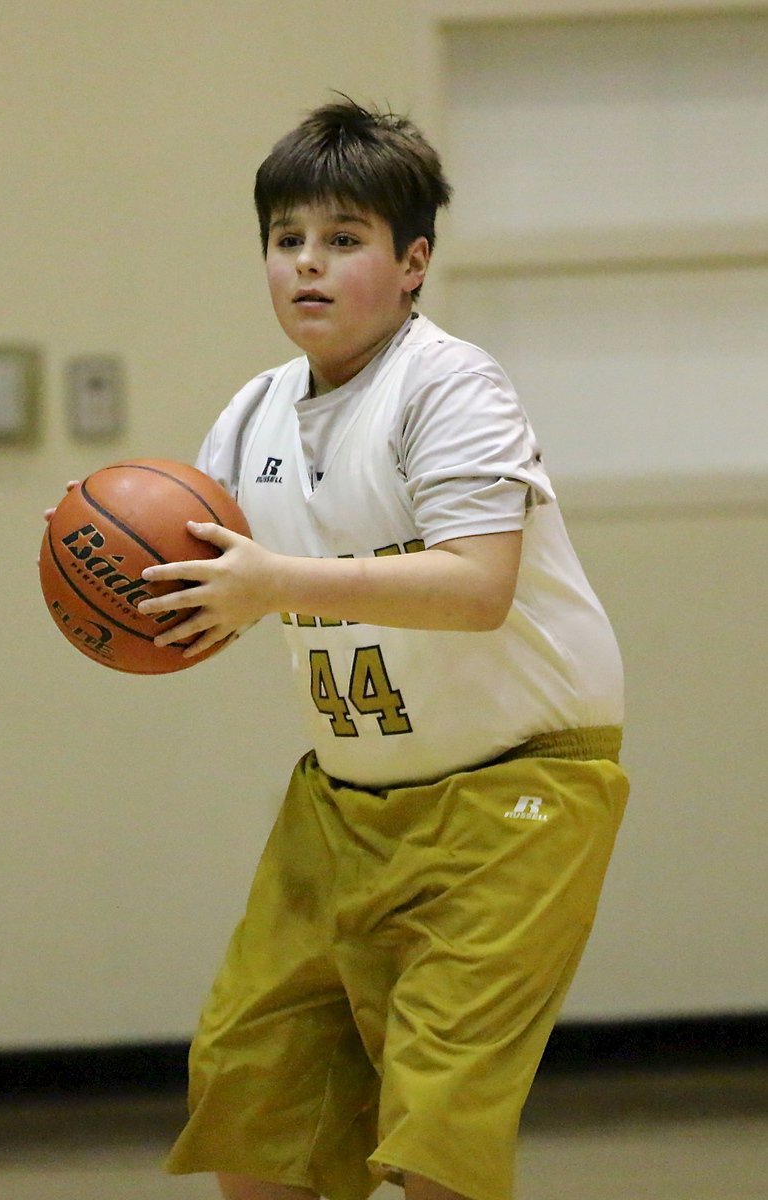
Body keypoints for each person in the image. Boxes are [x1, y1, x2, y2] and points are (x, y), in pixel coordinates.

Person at [141, 98, 629, 1200]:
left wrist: (273, 584)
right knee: (255, 1105)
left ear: (412, 264)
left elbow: (476, 588)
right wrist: (119, 583)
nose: (307, 265)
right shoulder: (253, 413)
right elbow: (209, 588)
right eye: (286, 240)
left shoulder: (448, 385)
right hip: (345, 803)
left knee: (435, 1130)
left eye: (343, 239)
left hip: (518, 791)